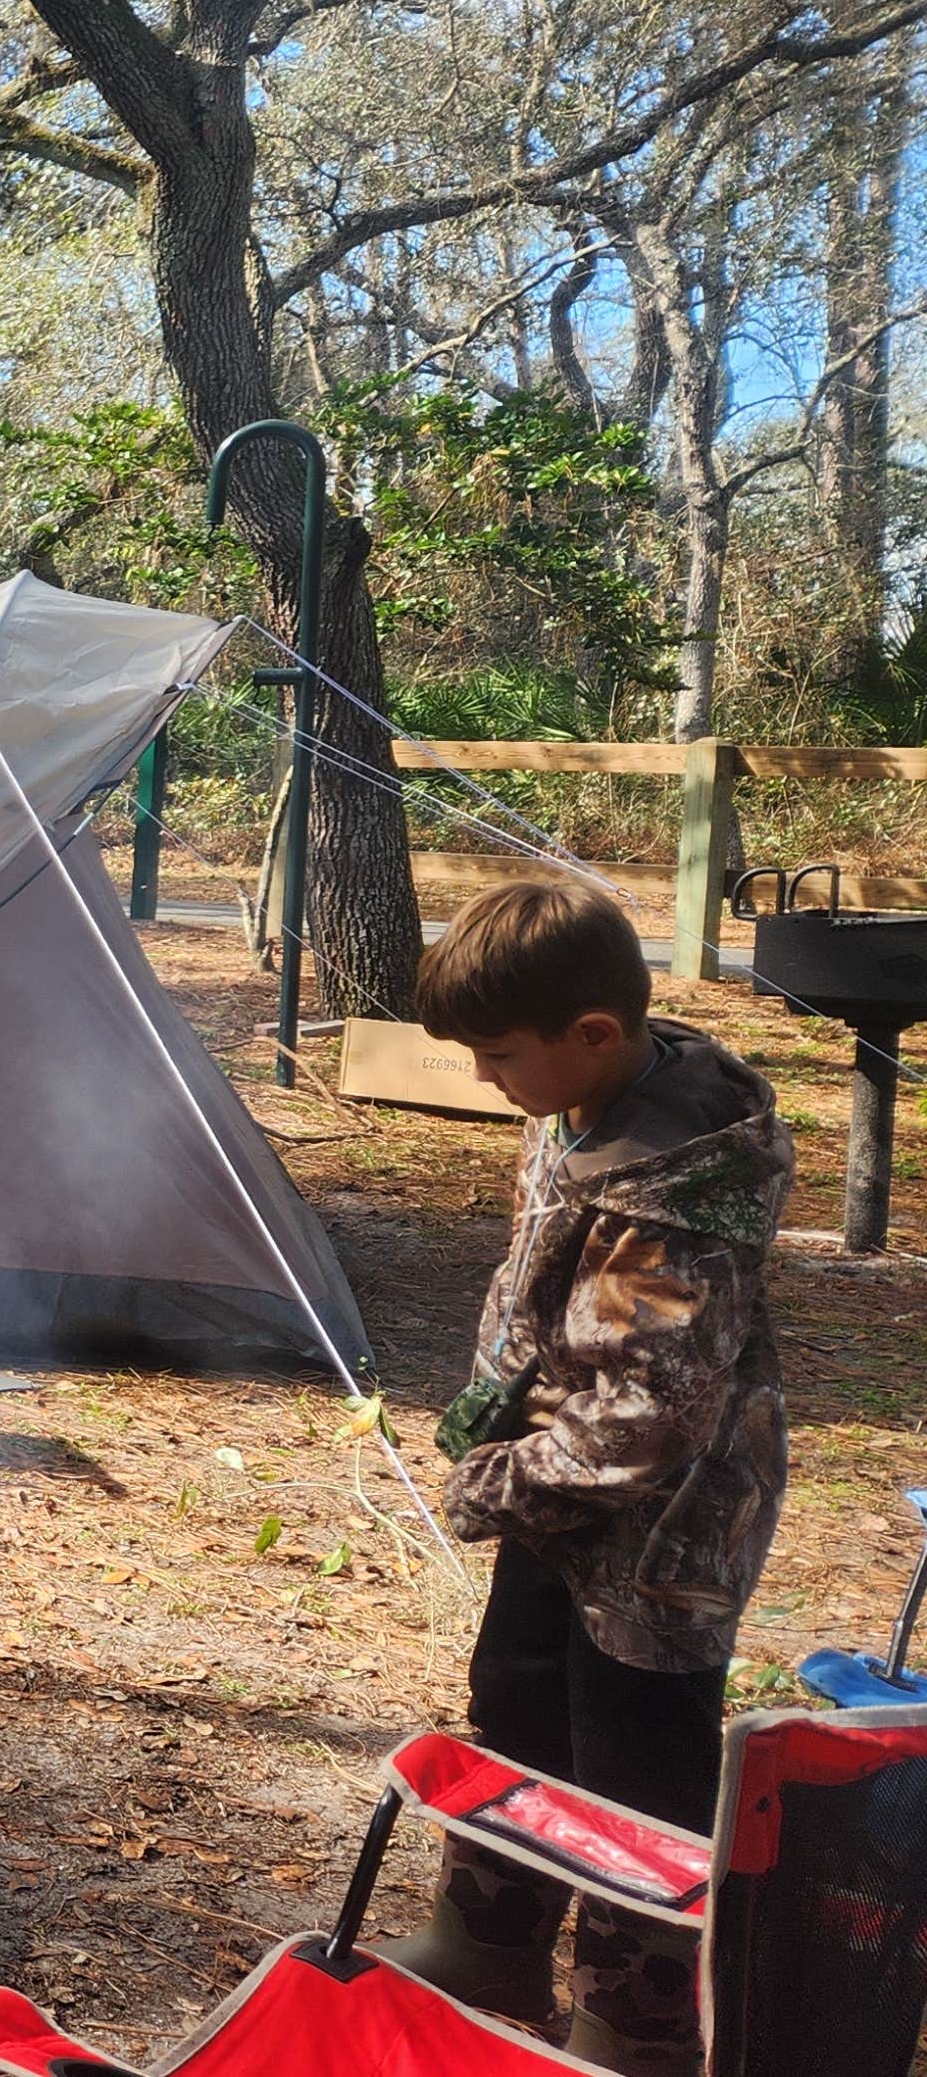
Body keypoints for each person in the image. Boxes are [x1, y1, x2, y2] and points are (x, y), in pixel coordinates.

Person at [372, 882, 790, 2075]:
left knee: (635, 1769)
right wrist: (499, 1427)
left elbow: (647, 1416)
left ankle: (636, 2016)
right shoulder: (579, 1099)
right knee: (516, 1703)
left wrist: (497, 1482)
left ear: (594, 1031)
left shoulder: (678, 1192)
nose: (484, 1075)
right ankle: (488, 1936)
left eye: (499, 1054)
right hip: (558, 1499)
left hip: (660, 1540)